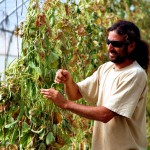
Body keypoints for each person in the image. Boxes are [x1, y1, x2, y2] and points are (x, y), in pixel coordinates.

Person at [40, 20, 150, 150]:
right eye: (108, 42)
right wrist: (68, 81)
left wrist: (64, 104)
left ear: (131, 46)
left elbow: (105, 115)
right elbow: (75, 94)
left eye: (116, 44)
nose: (109, 47)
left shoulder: (135, 74)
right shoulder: (106, 68)